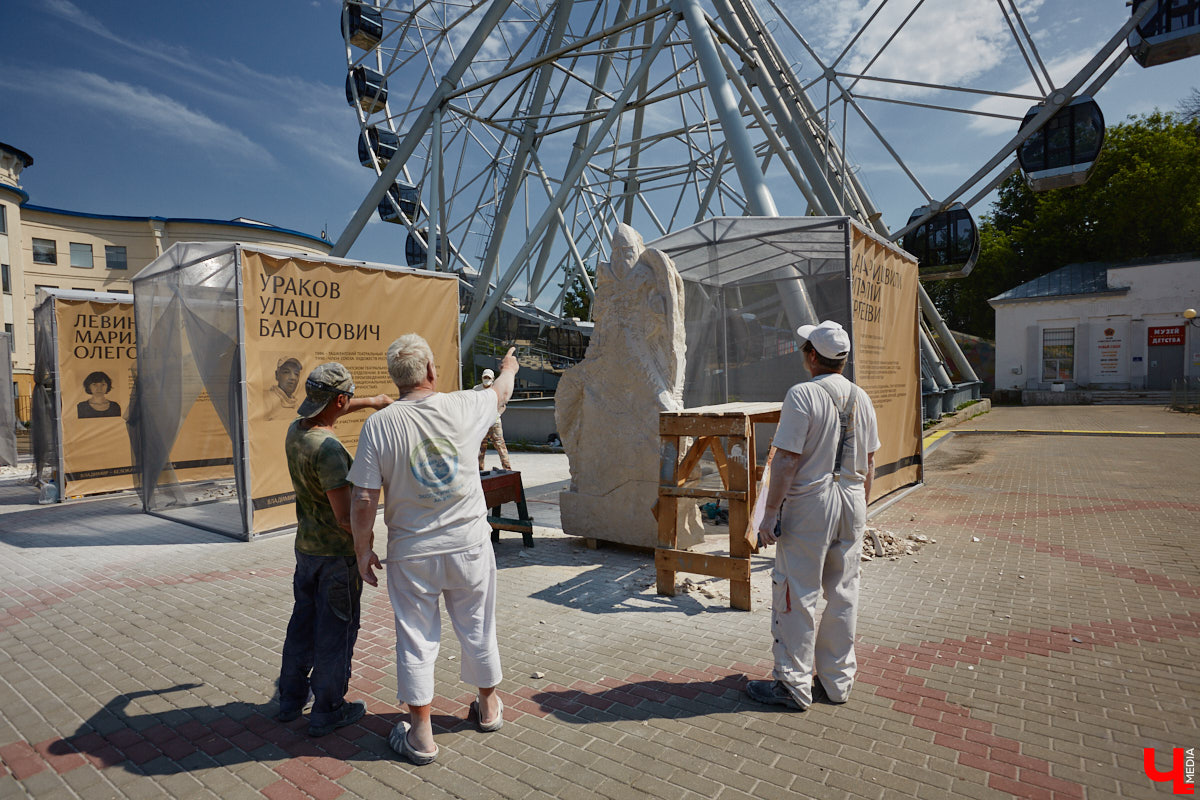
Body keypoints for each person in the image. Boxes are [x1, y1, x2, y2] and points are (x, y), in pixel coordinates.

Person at [348, 335, 517, 765]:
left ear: (396, 377)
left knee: (416, 639)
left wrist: (362, 549)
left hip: (412, 553)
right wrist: (510, 366)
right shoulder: (465, 404)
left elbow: (364, 498)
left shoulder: (379, 424)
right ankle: (489, 708)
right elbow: (500, 392)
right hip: (469, 546)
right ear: (429, 372)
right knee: (478, 626)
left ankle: (421, 735)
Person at [745, 320, 880, 711]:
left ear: (811, 356)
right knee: (843, 592)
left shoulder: (802, 394)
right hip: (852, 498)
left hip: (811, 502)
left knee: (796, 590)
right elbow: (869, 461)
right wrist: (861, 510)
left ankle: (792, 684)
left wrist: (769, 514)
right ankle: (837, 682)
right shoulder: (863, 398)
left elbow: (787, 458)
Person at [277, 362, 392, 736]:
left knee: (302, 626)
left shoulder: (297, 431)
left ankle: (290, 700)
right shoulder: (328, 450)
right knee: (335, 634)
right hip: (334, 560)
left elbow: (335, 404)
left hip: (306, 551)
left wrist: (373, 401)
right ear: (340, 399)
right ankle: (328, 708)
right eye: (349, 399)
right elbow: (346, 516)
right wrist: (365, 546)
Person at [473, 368, 512, 472]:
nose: (486, 379)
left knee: (501, 446)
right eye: (485, 377)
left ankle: (507, 469)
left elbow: (503, 405)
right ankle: (479, 470)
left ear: (493, 378)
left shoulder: (497, 390)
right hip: (481, 423)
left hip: (495, 423)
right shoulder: (476, 390)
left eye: (488, 377)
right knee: (480, 448)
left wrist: (496, 415)